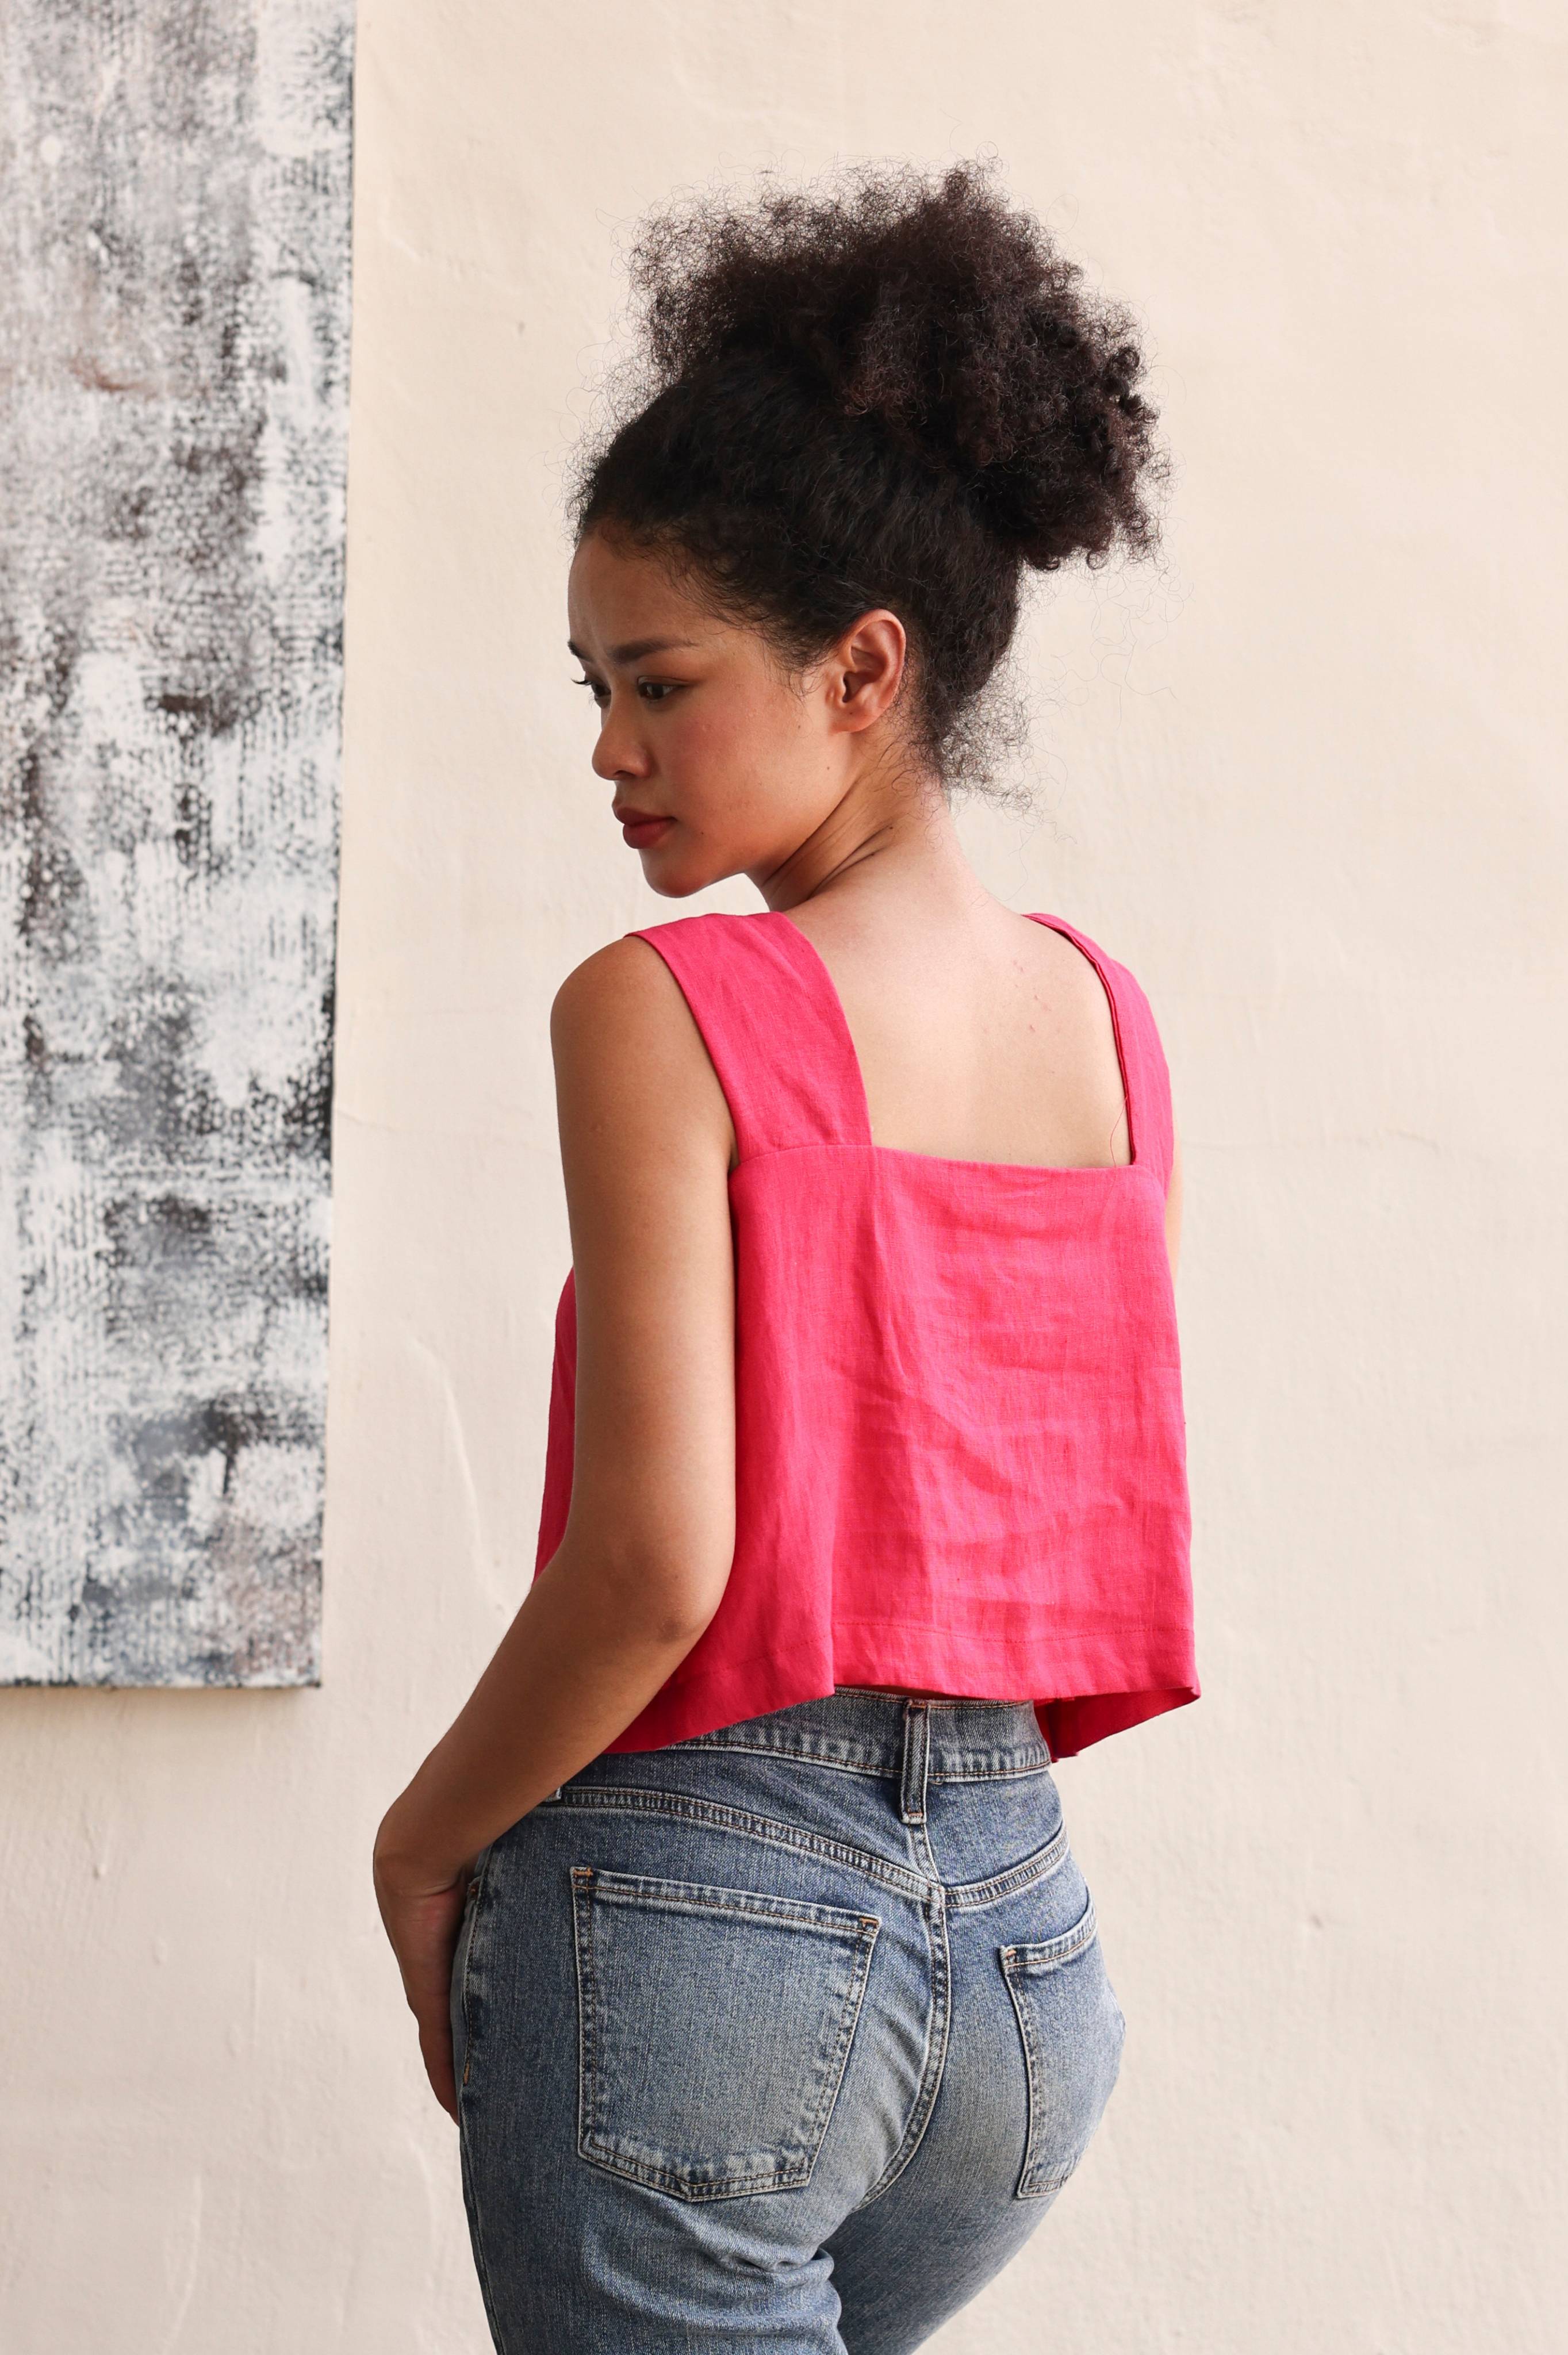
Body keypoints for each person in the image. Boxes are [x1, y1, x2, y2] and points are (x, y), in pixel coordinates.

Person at [373, 159, 1198, 2353]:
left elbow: (660, 1566)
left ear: (862, 668)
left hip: (711, 1927)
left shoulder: (667, 1007)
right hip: (1023, 1964)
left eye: (660, 685)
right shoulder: (1100, 1020)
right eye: (591, 686)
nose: (609, 751)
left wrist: (416, 1845)